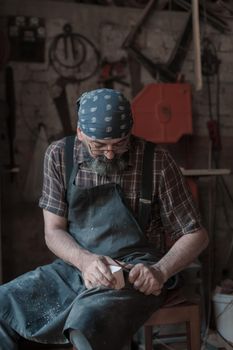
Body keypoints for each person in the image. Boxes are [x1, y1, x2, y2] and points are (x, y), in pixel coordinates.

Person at [0, 88, 209, 350]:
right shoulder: (59, 156)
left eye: (119, 144)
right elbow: (53, 231)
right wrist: (84, 261)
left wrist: (161, 270)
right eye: (98, 146)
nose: (110, 154)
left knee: (87, 322)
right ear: (80, 133)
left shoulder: (157, 162)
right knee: (5, 304)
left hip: (136, 272)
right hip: (76, 266)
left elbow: (196, 234)